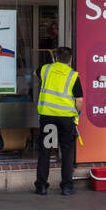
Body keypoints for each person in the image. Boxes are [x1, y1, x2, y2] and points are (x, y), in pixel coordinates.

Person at [35, 46, 82, 195]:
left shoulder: (45, 69)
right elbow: (79, 100)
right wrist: (77, 114)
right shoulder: (73, 75)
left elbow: (34, 73)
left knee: (45, 151)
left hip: (47, 116)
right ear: (70, 59)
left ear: (56, 58)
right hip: (66, 119)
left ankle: (42, 186)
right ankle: (67, 187)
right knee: (67, 152)